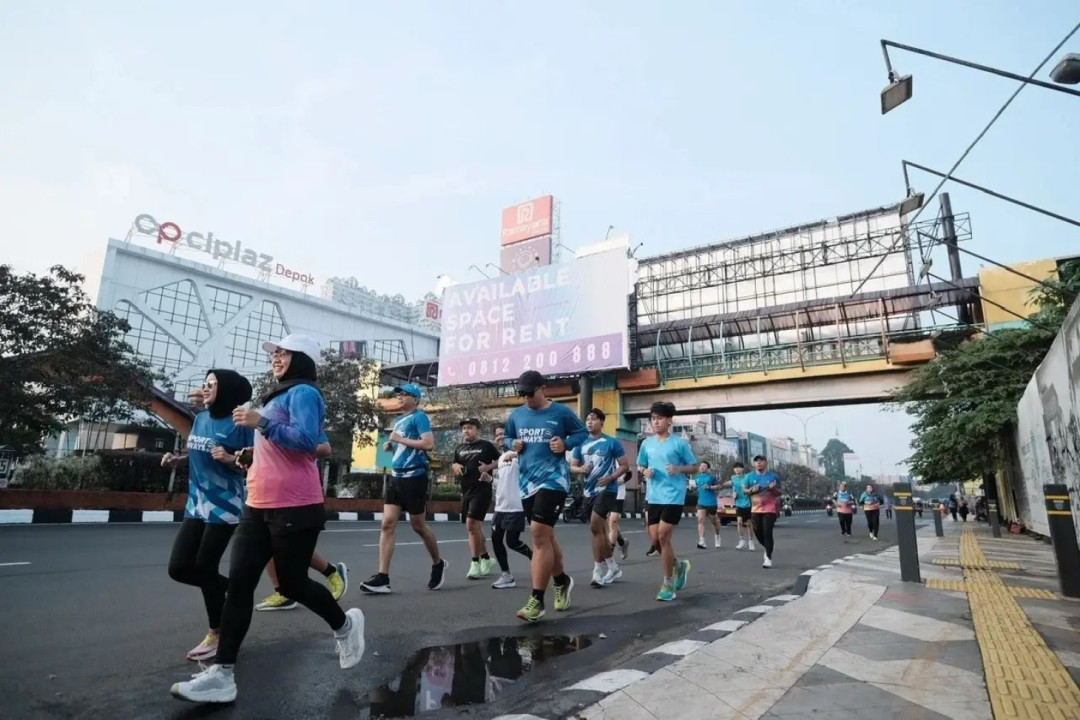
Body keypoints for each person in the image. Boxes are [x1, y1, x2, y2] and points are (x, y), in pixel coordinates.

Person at [170, 334, 364, 704]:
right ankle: (222, 674)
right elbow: (275, 447)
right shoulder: (276, 396)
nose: (276, 358)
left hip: (294, 504)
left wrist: (261, 423)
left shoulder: (305, 393)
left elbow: (309, 441)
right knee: (240, 585)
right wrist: (245, 453)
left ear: (301, 358)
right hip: (256, 504)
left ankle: (345, 625)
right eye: (275, 353)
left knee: (291, 584)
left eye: (284, 353)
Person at [163, 370, 254, 661]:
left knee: (204, 567)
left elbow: (258, 461)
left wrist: (232, 459)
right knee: (178, 568)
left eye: (212, 384)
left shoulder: (240, 422)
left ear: (226, 389)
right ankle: (234, 593)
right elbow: (198, 450)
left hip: (225, 503)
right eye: (205, 384)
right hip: (197, 502)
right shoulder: (201, 418)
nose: (205, 388)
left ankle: (218, 631)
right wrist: (179, 459)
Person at [504, 371, 588, 622]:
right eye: (522, 393)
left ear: (543, 388)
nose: (526, 397)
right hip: (527, 482)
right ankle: (561, 581)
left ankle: (537, 601)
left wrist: (565, 443)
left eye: (530, 392)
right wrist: (511, 444)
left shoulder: (560, 412)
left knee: (539, 534)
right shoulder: (517, 415)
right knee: (547, 537)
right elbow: (506, 437)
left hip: (554, 481)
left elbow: (582, 433)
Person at [361, 383, 447, 594]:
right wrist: (392, 446)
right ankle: (383, 578)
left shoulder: (420, 417)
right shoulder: (399, 420)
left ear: (415, 399)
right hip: (395, 477)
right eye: (398, 394)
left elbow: (428, 444)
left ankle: (438, 563)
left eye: (405, 394)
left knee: (418, 525)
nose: (399, 397)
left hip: (414, 478)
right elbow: (406, 445)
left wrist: (400, 439)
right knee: (387, 524)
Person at [254, 441, 348, 611]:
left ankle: (331, 576)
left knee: (291, 548)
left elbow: (325, 447)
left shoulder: (297, 418)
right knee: (267, 543)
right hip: (261, 490)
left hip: (294, 492)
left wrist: (283, 447)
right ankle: (282, 593)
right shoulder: (252, 421)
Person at [637, 401, 698, 601]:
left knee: (664, 536)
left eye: (660, 418)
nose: (656, 422)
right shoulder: (647, 444)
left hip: (674, 496)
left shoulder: (680, 443)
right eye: (653, 419)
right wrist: (645, 471)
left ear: (669, 421)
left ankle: (667, 584)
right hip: (653, 496)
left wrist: (679, 469)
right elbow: (640, 466)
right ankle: (679, 566)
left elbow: (694, 467)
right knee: (655, 541)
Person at [570, 408, 630, 588]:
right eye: (587, 419)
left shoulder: (612, 442)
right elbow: (572, 466)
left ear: (602, 422)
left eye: (594, 419)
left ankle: (597, 570)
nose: (589, 422)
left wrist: (611, 477)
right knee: (601, 532)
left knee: (595, 526)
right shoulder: (580, 444)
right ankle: (613, 567)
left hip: (607, 489)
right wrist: (580, 470)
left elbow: (625, 465)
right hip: (588, 492)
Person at [453, 418, 501, 580]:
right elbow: (454, 464)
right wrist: (455, 466)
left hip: (482, 489)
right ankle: (486, 558)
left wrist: (488, 467)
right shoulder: (459, 448)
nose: (466, 430)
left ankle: (475, 563)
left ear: (477, 430)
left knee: (471, 524)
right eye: (464, 428)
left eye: (470, 427)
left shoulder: (486, 446)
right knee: (475, 527)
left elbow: (502, 460)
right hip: (466, 491)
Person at [489, 427, 532, 589]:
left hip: (516, 506)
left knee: (512, 542)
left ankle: (535, 558)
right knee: (495, 539)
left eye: (502, 434)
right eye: (497, 434)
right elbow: (499, 482)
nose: (499, 437)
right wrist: (489, 480)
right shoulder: (500, 459)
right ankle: (506, 575)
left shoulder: (524, 455)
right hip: (500, 507)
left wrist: (516, 452)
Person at [746, 455, 781, 568]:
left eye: (761, 461)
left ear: (766, 463)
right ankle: (767, 549)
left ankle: (768, 557)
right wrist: (751, 490)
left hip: (769, 509)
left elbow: (779, 492)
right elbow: (744, 490)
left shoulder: (773, 476)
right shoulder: (749, 476)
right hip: (756, 509)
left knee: (767, 532)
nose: (758, 463)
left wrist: (774, 488)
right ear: (754, 464)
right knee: (758, 533)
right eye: (756, 461)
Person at [694, 461, 722, 549]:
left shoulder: (712, 477)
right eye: (701, 465)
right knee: (701, 521)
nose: (702, 467)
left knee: (714, 521)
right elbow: (697, 487)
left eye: (704, 466)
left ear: (707, 468)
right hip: (701, 502)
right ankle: (702, 541)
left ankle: (717, 537)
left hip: (711, 502)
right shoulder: (696, 477)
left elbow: (718, 486)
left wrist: (710, 487)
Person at [730, 462, 755, 551]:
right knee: (739, 522)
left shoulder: (747, 477)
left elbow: (752, 487)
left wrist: (750, 491)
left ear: (742, 469)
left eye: (739, 467)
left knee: (749, 524)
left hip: (747, 503)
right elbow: (733, 487)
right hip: (738, 503)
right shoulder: (733, 478)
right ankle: (742, 541)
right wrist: (733, 494)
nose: (737, 469)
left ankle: (751, 541)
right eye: (735, 468)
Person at [608, 468, 631, 560]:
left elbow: (629, 474)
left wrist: (623, 480)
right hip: (605, 493)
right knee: (611, 526)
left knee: (613, 522)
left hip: (618, 494)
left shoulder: (620, 458)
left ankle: (609, 554)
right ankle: (622, 543)